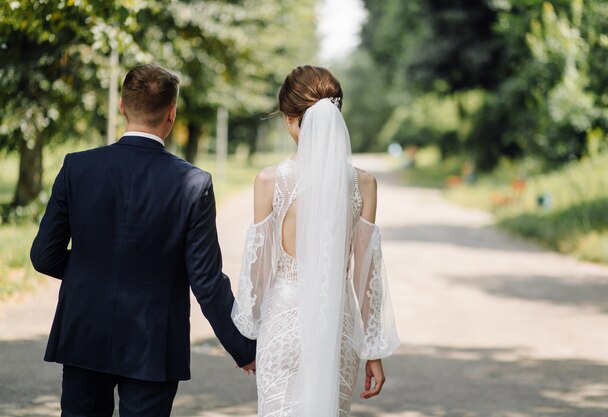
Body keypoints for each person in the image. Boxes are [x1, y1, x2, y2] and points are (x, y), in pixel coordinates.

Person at [30, 63, 256, 417]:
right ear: (172, 113)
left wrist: (93, 268)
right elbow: (207, 281)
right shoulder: (194, 183)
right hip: (154, 342)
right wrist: (244, 347)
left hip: (84, 330)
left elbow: (44, 256)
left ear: (121, 106)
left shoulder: (77, 167)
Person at [231, 65, 400, 416]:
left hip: (284, 323)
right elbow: (365, 276)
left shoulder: (269, 180)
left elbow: (258, 271)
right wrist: (373, 351)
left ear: (291, 118)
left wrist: (246, 338)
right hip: (337, 328)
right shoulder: (363, 184)